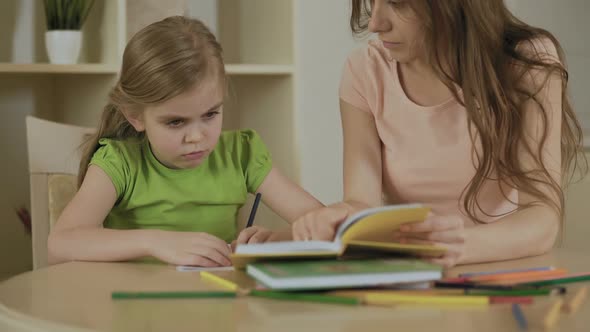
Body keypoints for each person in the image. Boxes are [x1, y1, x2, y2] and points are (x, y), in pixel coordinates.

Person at [292, 0, 586, 267]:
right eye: (372, 2)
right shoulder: (364, 72)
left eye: (398, 3)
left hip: (504, 274)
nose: (375, 23)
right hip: (415, 277)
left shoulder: (527, 62)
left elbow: (542, 219)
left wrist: (460, 246)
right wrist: (340, 215)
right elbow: (362, 204)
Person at [48, 16, 322, 267]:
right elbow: (60, 244)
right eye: (175, 122)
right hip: (134, 313)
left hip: (217, 310)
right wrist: (154, 241)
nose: (196, 137)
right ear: (135, 116)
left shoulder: (242, 154)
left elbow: (327, 226)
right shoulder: (120, 162)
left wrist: (277, 241)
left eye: (211, 114)